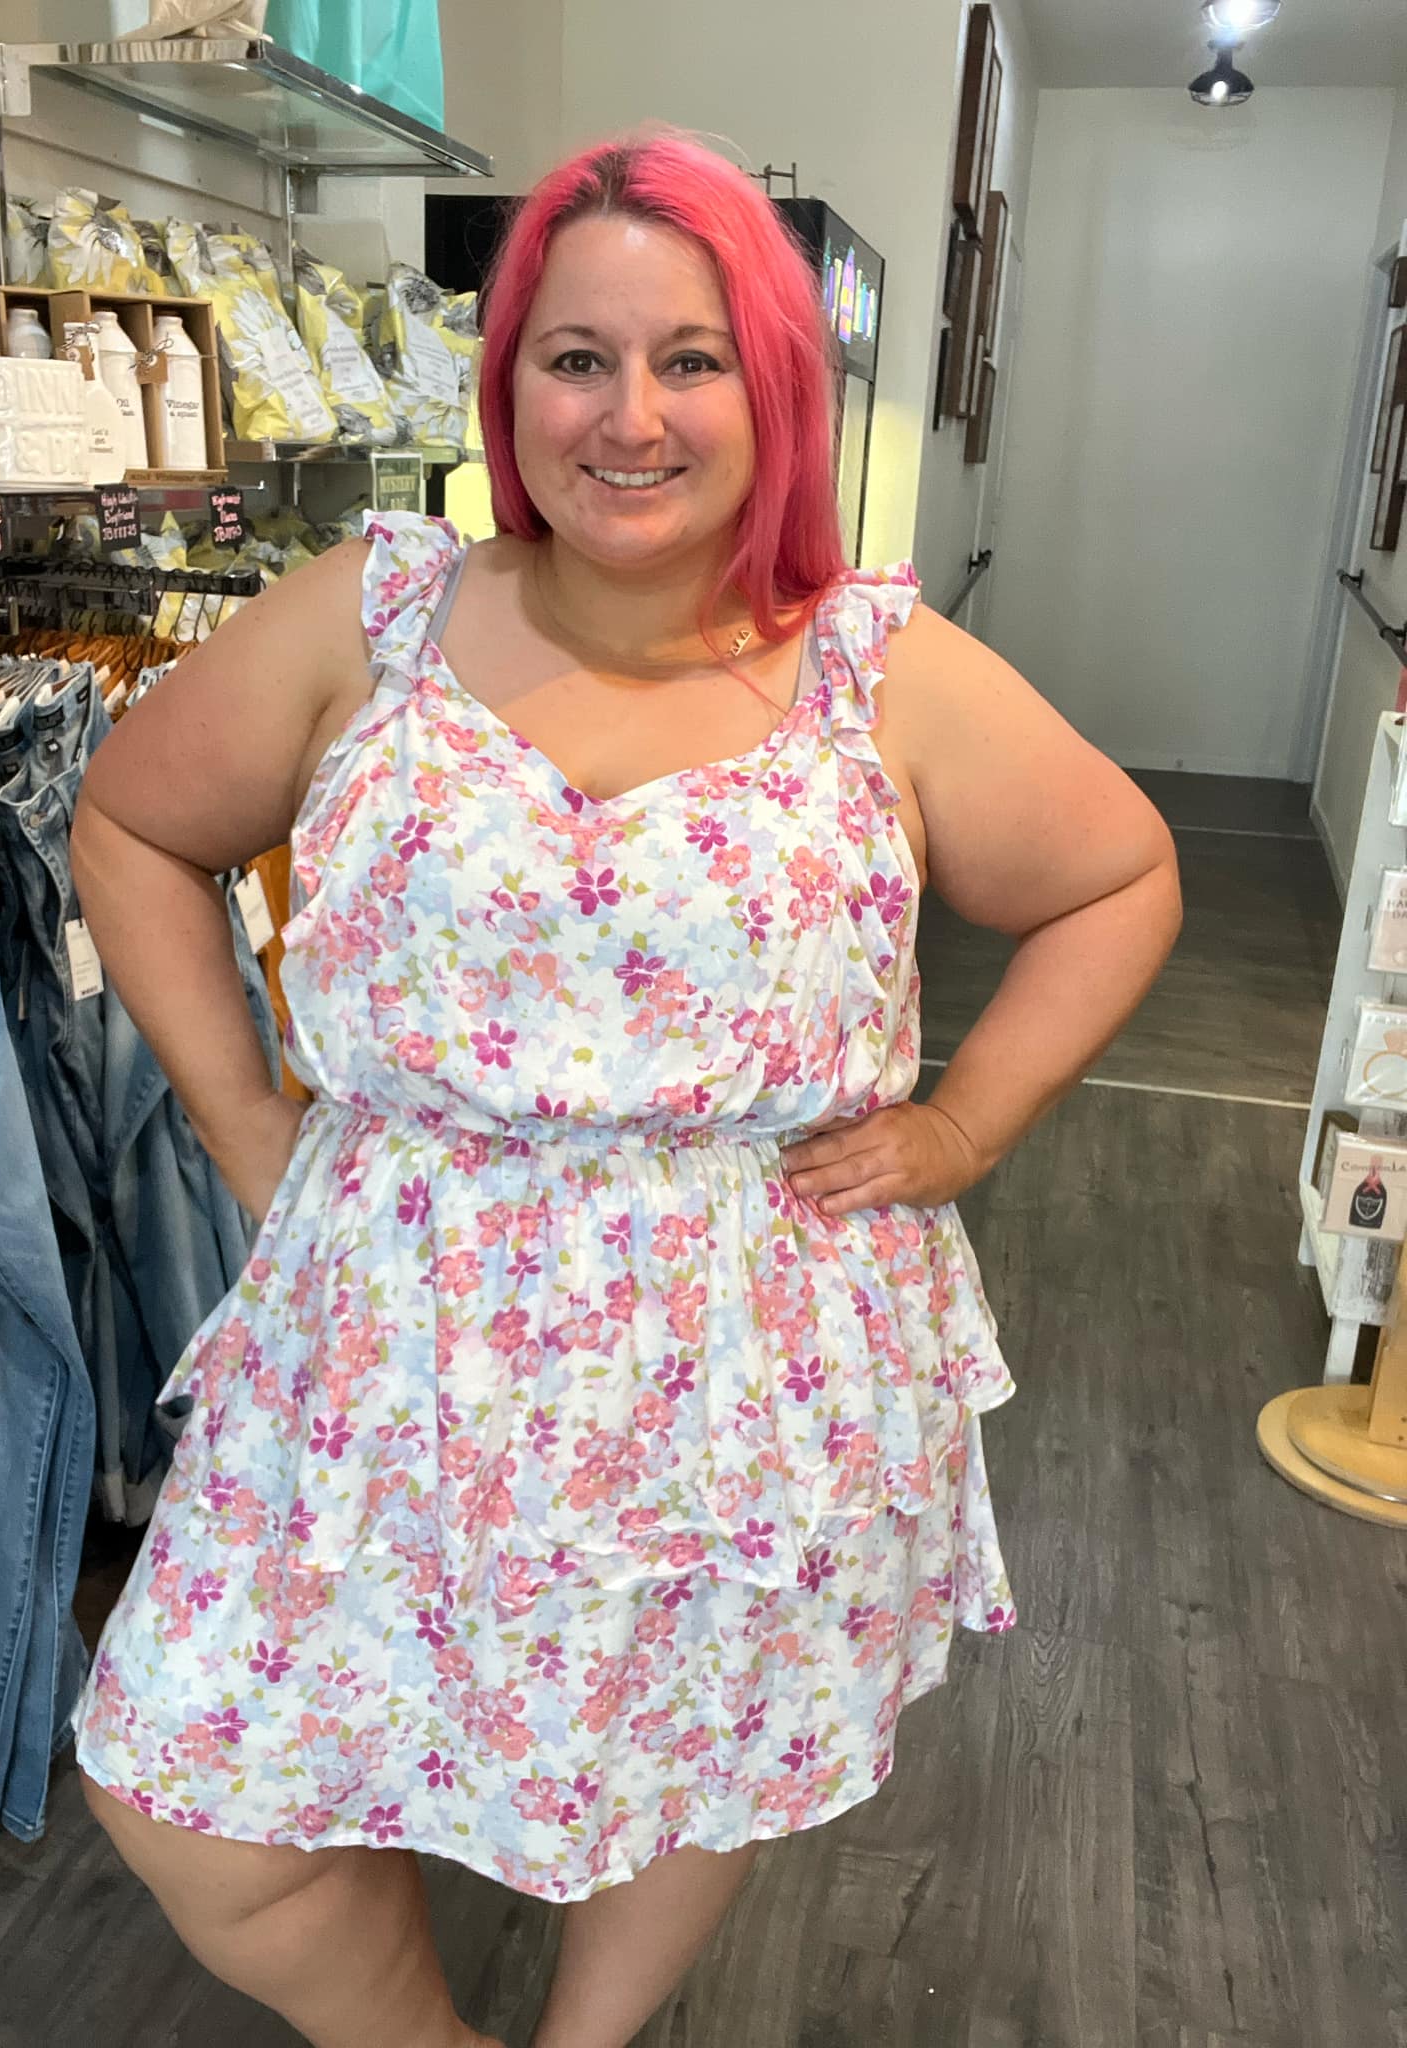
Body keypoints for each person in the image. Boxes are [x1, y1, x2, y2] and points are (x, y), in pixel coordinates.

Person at [67, 132, 1182, 2048]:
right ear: (508, 386)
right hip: (389, 1340)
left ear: (778, 389)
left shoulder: (874, 671)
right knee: (192, 1795)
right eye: (576, 358)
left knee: (686, 1752)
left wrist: (964, 1123)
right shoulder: (376, 615)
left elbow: (1116, 876)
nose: (631, 416)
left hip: (752, 1354)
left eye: (693, 359)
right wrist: (247, 1123)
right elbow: (132, 824)